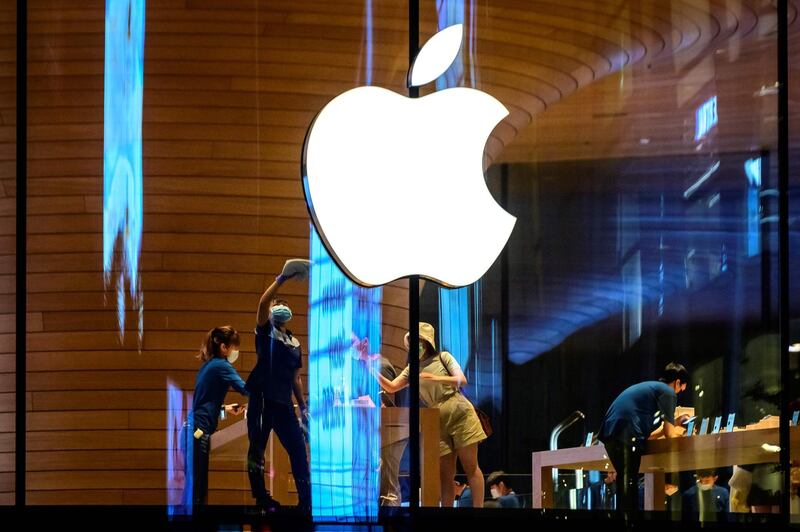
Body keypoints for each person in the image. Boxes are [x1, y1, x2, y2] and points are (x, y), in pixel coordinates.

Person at [374, 322, 487, 508]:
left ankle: (478, 508)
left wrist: (435, 378)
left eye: (419, 341)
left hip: (460, 413)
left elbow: (462, 380)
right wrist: (370, 368)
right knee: (445, 474)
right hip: (436, 419)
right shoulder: (412, 369)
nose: (415, 345)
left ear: (427, 342)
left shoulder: (444, 357)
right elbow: (391, 386)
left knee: (470, 466)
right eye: (412, 342)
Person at [246, 259, 312, 511]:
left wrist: (303, 407)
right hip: (262, 398)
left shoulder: (295, 342)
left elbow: (296, 377)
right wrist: (281, 279)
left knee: (297, 449)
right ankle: (261, 497)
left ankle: (306, 500)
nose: (281, 305)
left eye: (285, 303)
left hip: (284, 403)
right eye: (278, 303)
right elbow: (263, 303)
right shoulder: (265, 331)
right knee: (257, 449)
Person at [597, 362, 690, 515]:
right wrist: (683, 435)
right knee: (629, 485)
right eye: (681, 389)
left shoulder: (651, 388)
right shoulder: (668, 391)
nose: (679, 393)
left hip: (611, 432)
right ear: (678, 382)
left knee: (626, 484)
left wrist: (674, 423)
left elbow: (649, 436)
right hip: (626, 433)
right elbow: (670, 435)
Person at [186, 326, 248, 507]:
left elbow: (203, 403)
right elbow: (245, 389)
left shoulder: (208, 365)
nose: (236, 352)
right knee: (198, 493)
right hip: (198, 433)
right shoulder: (222, 366)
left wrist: (224, 409)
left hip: (191, 431)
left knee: (194, 489)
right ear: (224, 347)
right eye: (234, 347)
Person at [379, 356, 408, 507]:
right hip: (384, 429)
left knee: (388, 487)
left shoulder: (380, 365)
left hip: (390, 430)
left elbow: (387, 398)